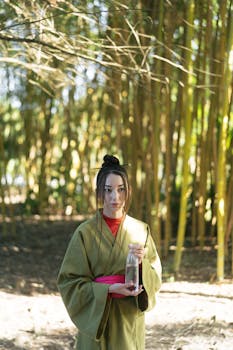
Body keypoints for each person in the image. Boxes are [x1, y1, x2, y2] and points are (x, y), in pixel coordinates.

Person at [57, 154, 162, 349]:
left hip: (128, 322)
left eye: (121, 190)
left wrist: (141, 265)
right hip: (96, 323)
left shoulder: (141, 230)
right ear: (100, 192)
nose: (115, 197)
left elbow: (155, 278)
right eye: (109, 190)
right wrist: (107, 290)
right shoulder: (85, 233)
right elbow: (68, 282)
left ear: (128, 191)